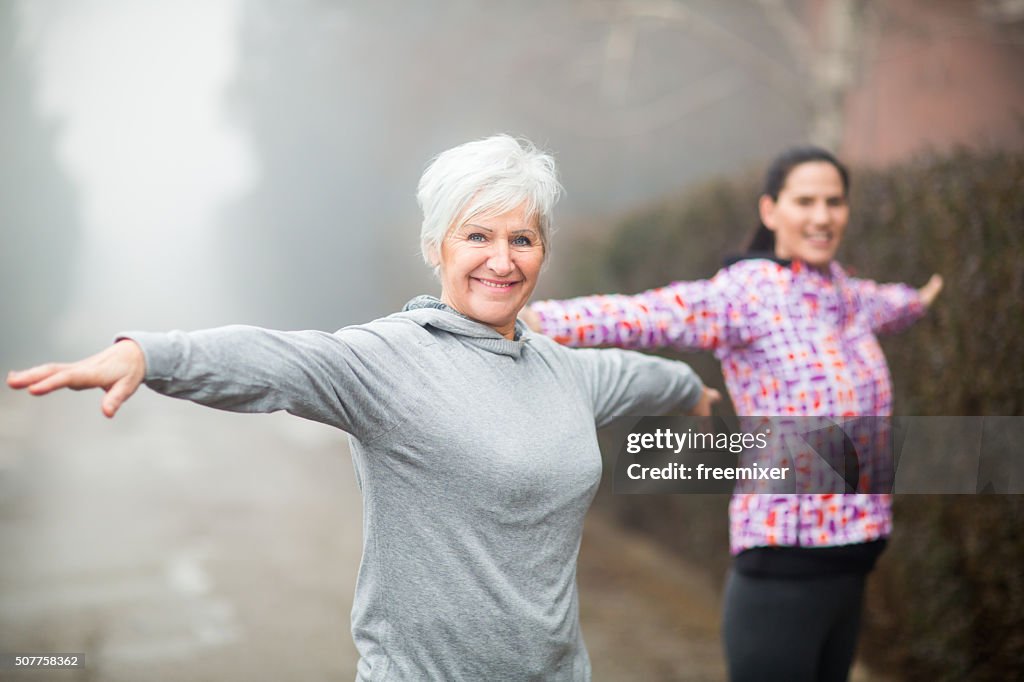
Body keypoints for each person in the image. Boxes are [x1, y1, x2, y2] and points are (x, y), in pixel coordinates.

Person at [7, 134, 718, 681]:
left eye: (521, 239)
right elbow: (276, 360)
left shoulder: (565, 371)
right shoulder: (389, 360)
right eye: (478, 235)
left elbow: (635, 376)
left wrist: (692, 391)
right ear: (437, 247)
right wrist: (151, 354)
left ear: (541, 253)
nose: (502, 259)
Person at [523, 146, 942, 682]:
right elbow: (651, 314)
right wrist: (538, 319)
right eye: (805, 201)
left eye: (834, 202)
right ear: (770, 211)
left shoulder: (844, 295)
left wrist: (921, 299)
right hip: (783, 565)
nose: (822, 216)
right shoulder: (749, 295)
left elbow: (887, 304)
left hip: (855, 558)